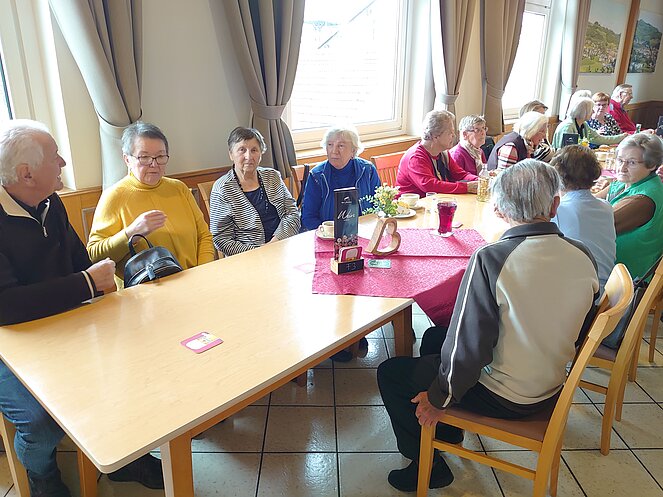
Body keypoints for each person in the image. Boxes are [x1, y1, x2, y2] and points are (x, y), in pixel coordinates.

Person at [378, 160, 599, 492]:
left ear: (499, 209)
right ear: (555, 205)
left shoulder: (491, 257)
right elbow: (579, 328)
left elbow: (470, 347)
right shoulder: (582, 254)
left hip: (506, 396)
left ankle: (428, 465)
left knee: (391, 373)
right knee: (436, 335)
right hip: (550, 384)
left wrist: (439, 398)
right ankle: (447, 432)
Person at [0, 120, 163, 496]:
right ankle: (42, 473)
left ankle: (124, 457)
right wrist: (87, 284)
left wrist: (100, 289)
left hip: (65, 323)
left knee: (131, 367)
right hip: (10, 342)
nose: (62, 163)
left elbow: (79, 261)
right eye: (55, 157)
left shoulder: (50, 201)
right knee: (40, 422)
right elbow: (5, 305)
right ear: (26, 174)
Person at [87, 122, 215, 282]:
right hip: (146, 290)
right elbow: (94, 255)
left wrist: (201, 272)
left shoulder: (179, 188)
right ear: (127, 159)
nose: (154, 164)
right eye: (144, 157)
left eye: (160, 156)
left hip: (194, 281)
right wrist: (132, 232)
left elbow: (204, 236)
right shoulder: (114, 196)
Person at [210, 127, 300, 256]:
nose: (249, 156)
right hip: (246, 258)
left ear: (260, 154)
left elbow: (292, 214)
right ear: (231, 154)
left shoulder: (272, 176)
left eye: (254, 150)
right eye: (242, 150)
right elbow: (221, 239)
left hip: (282, 247)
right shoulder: (222, 189)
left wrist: (274, 243)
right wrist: (258, 252)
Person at [595, 133, 663, 279]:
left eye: (631, 163)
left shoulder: (643, 199)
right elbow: (590, 202)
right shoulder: (626, 182)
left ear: (651, 165)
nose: (622, 168)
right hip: (609, 264)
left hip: (623, 279)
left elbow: (597, 226)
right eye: (620, 160)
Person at [551, 145, 616, 290]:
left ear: (557, 177)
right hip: (607, 289)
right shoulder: (606, 207)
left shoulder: (558, 211)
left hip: (586, 293)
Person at [300, 125, 380, 231]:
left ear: (353, 151)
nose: (334, 151)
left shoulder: (367, 170)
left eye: (341, 146)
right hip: (327, 234)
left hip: (364, 231)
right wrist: (328, 232)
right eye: (330, 145)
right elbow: (308, 217)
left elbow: (379, 206)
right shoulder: (317, 176)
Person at [396, 110, 478, 196]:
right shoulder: (416, 157)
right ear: (435, 136)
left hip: (435, 200)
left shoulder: (443, 153)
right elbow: (430, 186)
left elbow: (460, 175)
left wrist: (479, 180)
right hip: (413, 203)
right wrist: (466, 187)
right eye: (450, 132)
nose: (454, 135)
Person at [552, 97, 626, 149]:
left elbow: (599, 139)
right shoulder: (568, 127)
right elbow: (566, 151)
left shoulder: (583, 125)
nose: (593, 112)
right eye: (591, 109)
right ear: (583, 111)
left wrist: (623, 137)